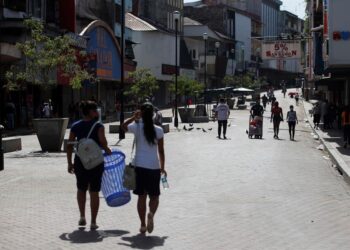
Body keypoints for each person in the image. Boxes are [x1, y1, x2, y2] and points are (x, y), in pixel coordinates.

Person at [66, 101, 111, 230]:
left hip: (80, 161)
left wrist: (70, 162)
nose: (97, 112)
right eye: (95, 110)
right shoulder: (98, 126)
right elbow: (103, 142)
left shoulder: (75, 126)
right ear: (90, 112)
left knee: (81, 189)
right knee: (94, 191)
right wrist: (107, 149)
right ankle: (93, 221)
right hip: (96, 162)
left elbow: (69, 145)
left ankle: (82, 216)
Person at [122, 102, 166, 234]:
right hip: (154, 167)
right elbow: (161, 151)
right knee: (154, 197)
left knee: (141, 197)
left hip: (139, 167)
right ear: (153, 114)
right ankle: (151, 213)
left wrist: (133, 117)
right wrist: (162, 168)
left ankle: (142, 225)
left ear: (141, 113)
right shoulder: (158, 130)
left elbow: (123, 127)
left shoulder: (136, 126)